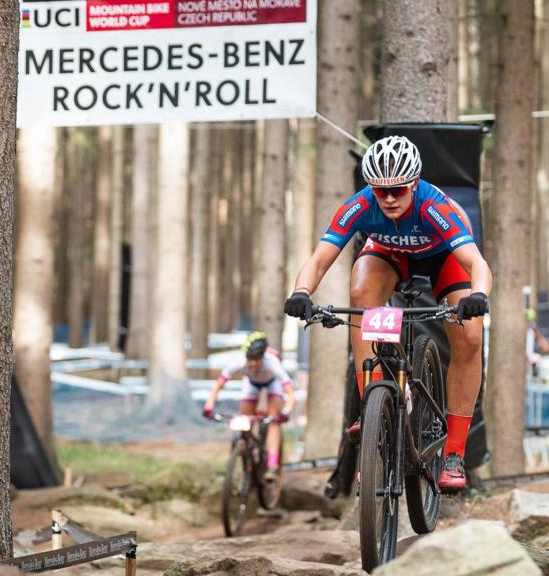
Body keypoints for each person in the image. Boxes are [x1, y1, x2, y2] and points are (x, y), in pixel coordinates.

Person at [284, 135, 492, 493]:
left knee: (470, 334)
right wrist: (301, 292)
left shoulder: (433, 206)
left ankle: (455, 453)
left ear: (413, 184)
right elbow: (320, 259)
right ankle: (372, 408)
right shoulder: (361, 205)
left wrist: (478, 296)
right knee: (361, 294)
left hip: (443, 257)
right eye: (381, 192)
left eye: (398, 190)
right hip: (389, 253)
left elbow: (477, 263)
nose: (390, 198)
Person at [202, 331, 295, 481]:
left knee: (273, 421)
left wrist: (286, 411)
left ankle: (272, 465)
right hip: (251, 384)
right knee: (244, 421)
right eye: (249, 359)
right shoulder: (239, 361)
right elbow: (219, 384)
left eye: (255, 360)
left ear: (262, 357)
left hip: (273, 385)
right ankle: (246, 452)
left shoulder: (272, 363)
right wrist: (209, 405)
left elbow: (290, 393)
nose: (251, 363)